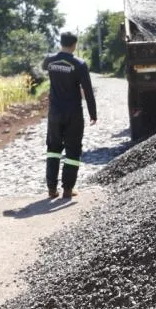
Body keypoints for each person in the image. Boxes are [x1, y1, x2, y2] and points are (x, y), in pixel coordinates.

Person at [42, 32, 97, 199]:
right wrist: (93, 113)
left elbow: (45, 67)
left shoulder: (49, 61)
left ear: (61, 43)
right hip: (73, 113)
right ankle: (67, 189)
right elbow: (87, 90)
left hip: (55, 113)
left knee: (53, 149)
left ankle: (52, 189)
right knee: (73, 150)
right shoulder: (79, 64)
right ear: (74, 45)